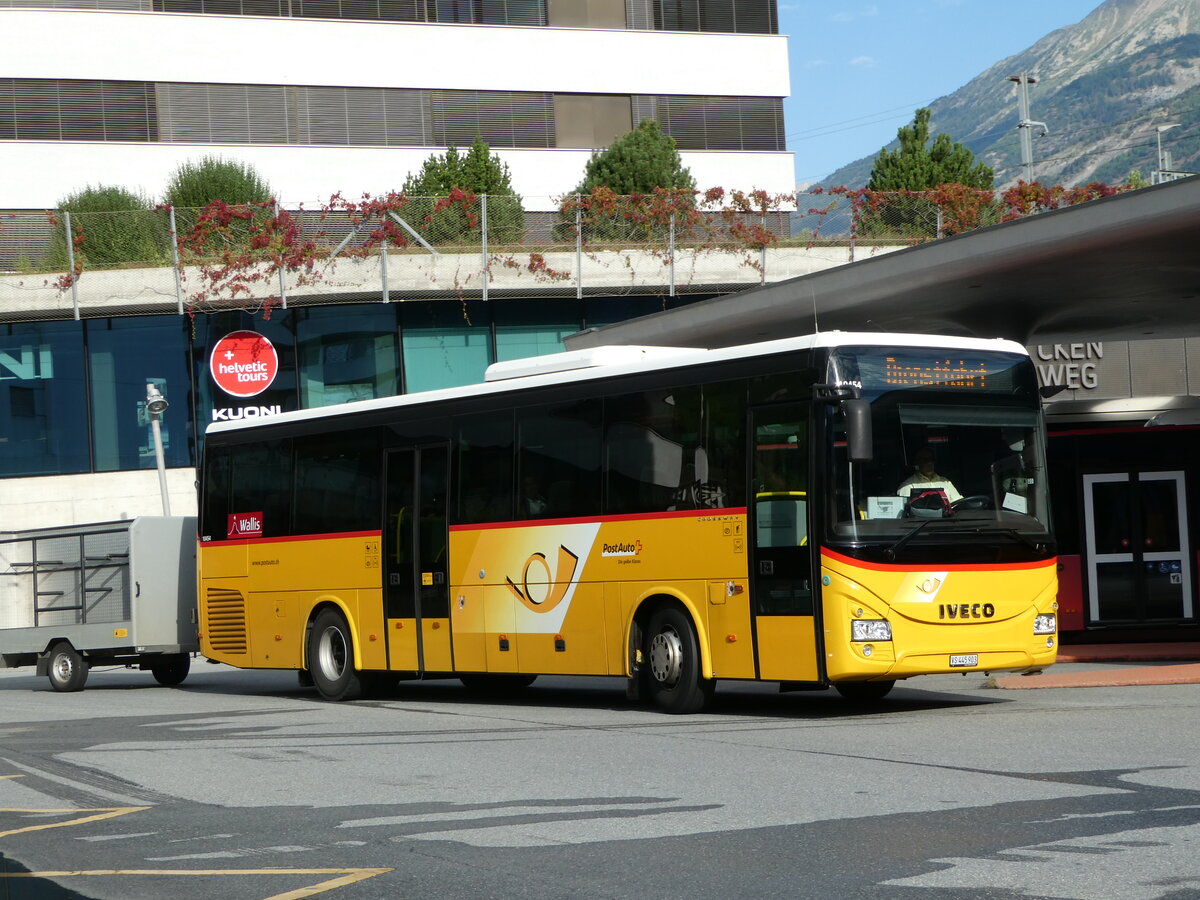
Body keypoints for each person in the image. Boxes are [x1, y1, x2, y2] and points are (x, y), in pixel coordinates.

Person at [897, 446, 962, 504]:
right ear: (917, 462)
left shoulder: (945, 482)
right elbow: (907, 513)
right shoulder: (908, 486)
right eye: (925, 460)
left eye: (931, 459)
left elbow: (959, 503)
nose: (929, 463)